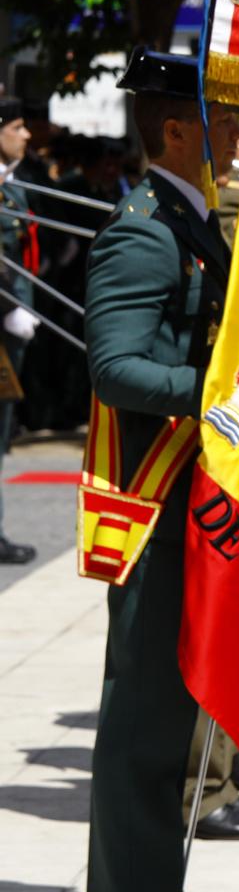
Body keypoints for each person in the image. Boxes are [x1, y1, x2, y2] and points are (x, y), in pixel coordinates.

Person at [82, 48, 239, 892]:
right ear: (177, 129)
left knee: (178, 698)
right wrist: (214, 388)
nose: (238, 137)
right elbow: (113, 367)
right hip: (152, 498)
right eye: (223, 122)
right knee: (145, 699)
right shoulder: (145, 231)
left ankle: (154, 886)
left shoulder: (192, 222)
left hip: (193, 490)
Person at [0, 100, 41, 563]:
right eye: (16, 126)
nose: (26, 134)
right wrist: (9, 307)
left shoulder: (12, 186)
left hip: (13, 332)